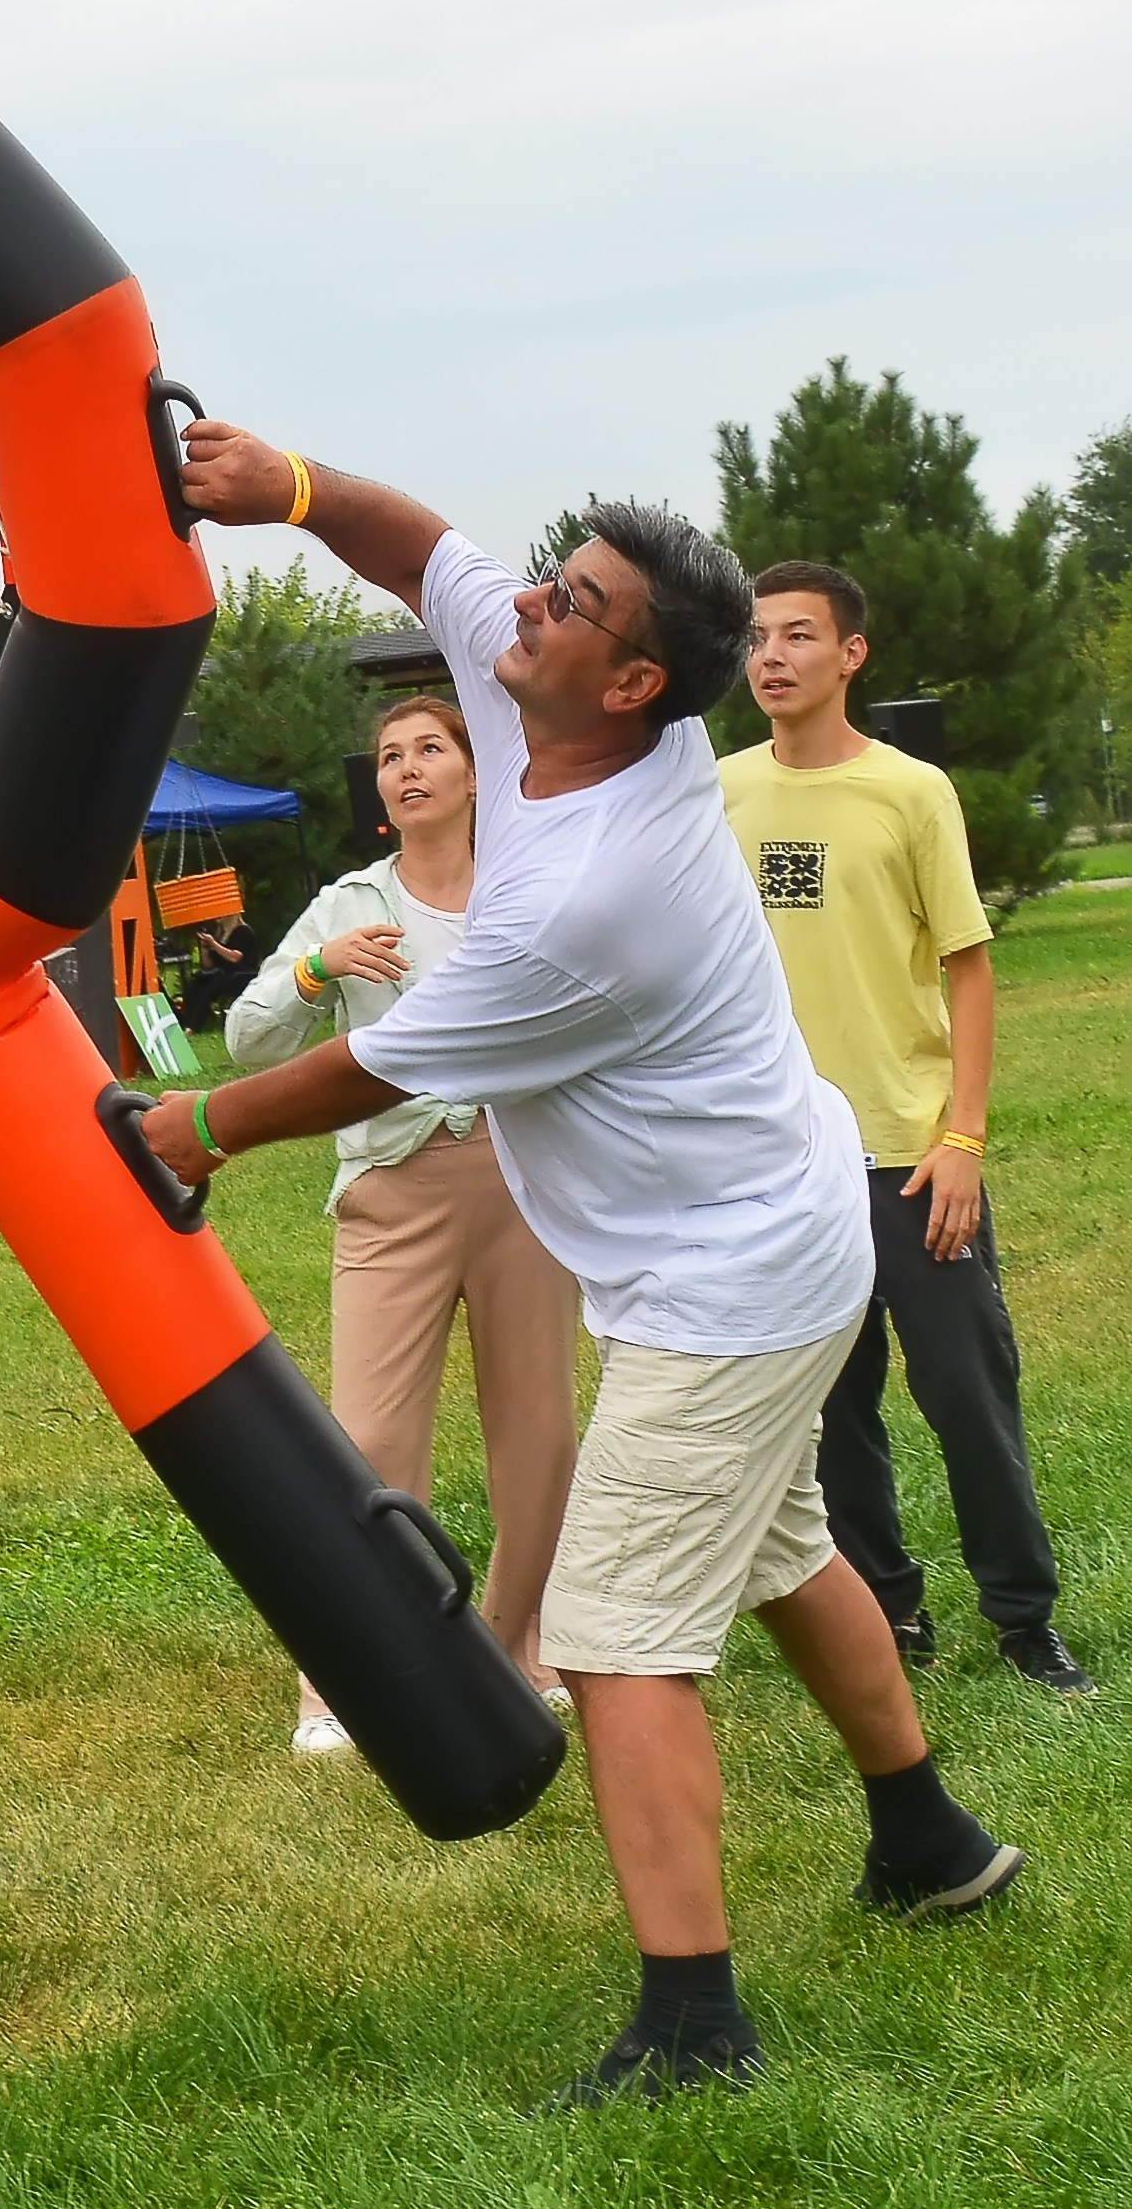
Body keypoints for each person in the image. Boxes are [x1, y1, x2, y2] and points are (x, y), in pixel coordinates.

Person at [141, 433, 1023, 2107]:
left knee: (616, 1636)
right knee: (777, 1546)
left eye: (570, 604)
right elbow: (423, 550)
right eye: (550, 581)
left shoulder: (598, 894)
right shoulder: (530, 688)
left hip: (731, 1277)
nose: (523, 608)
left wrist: (192, 1129)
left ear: (624, 681)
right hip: (764, 1224)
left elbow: (386, 1064)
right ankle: (928, 1842)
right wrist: (288, 489)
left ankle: (693, 2028)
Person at [720, 564, 1094, 1697]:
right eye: (755, 638)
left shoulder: (911, 789)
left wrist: (963, 1140)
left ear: (851, 655)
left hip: (909, 1155)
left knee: (969, 1397)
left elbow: (968, 971)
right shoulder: (718, 791)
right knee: (831, 1409)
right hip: (782, 1164)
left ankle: (1026, 1619)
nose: (772, 655)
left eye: (798, 635)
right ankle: (887, 1612)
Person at [226, 696, 579, 1756]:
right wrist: (313, 970)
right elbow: (248, 1038)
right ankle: (341, 1686)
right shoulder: (348, 902)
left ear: (476, 774)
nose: (408, 767)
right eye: (390, 755)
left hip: (527, 1194)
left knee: (540, 1443)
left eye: (431, 749)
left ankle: (526, 1655)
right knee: (370, 1446)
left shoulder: (528, 891)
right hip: (392, 1196)